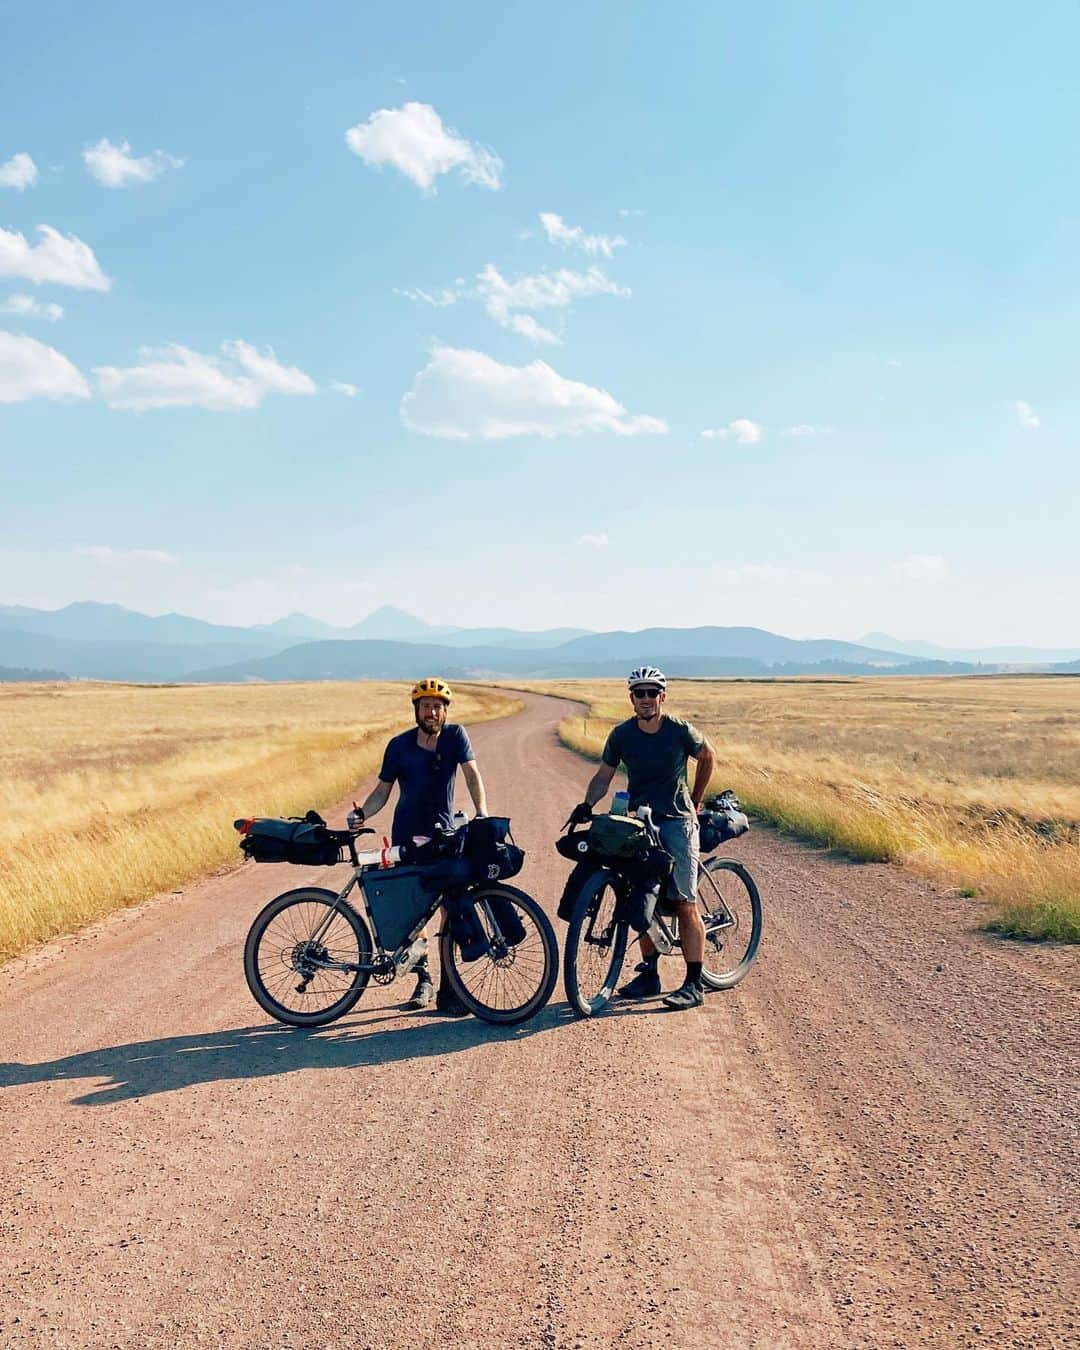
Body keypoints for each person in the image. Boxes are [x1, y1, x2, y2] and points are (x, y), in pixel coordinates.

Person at [570, 666, 716, 1010]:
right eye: (640, 693)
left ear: (662, 697)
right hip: (639, 822)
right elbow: (604, 775)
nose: (646, 699)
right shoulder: (622, 735)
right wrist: (587, 804)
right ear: (631, 698)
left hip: (676, 822)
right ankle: (649, 974)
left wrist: (695, 799)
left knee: (683, 902)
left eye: (653, 693)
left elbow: (707, 756)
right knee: (640, 897)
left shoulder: (679, 731)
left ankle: (694, 985)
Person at [350, 677, 489, 1016]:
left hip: (445, 837)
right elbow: (383, 791)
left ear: (445, 711)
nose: (432, 711)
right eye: (426, 706)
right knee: (416, 911)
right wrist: (361, 814)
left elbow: (472, 774)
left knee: (448, 909)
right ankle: (423, 978)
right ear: (416, 710)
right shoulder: (398, 746)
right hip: (407, 836)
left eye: (438, 706)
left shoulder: (456, 737)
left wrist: (483, 812)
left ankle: (450, 987)